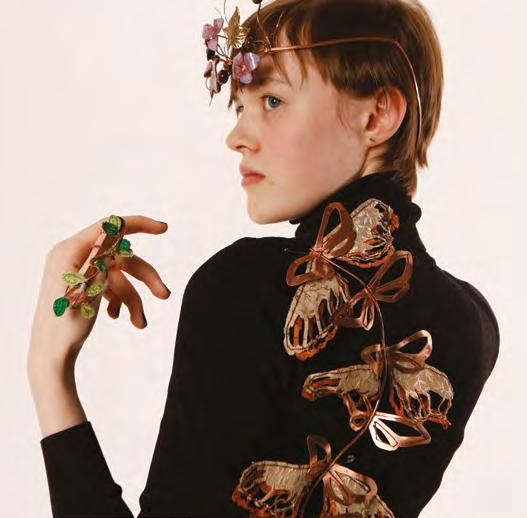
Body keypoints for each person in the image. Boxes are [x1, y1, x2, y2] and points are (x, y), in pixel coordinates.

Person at [27, 0, 500, 516]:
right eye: (240, 107)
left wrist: (50, 373)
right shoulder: (472, 325)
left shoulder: (243, 286)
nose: (237, 138)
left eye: (273, 101)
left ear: (377, 115)